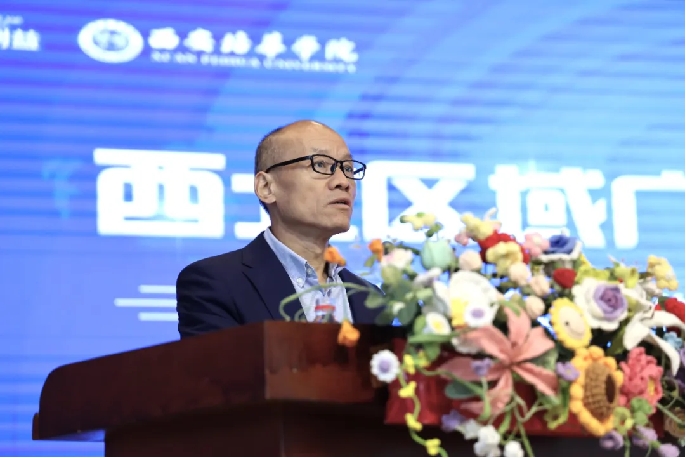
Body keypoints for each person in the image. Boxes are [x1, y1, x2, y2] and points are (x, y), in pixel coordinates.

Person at [175, 120, 381, 338]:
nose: (343, 181)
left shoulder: (371, 298)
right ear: (266, 187)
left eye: (348, 168)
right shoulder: (217, 283)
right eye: (320, 164)